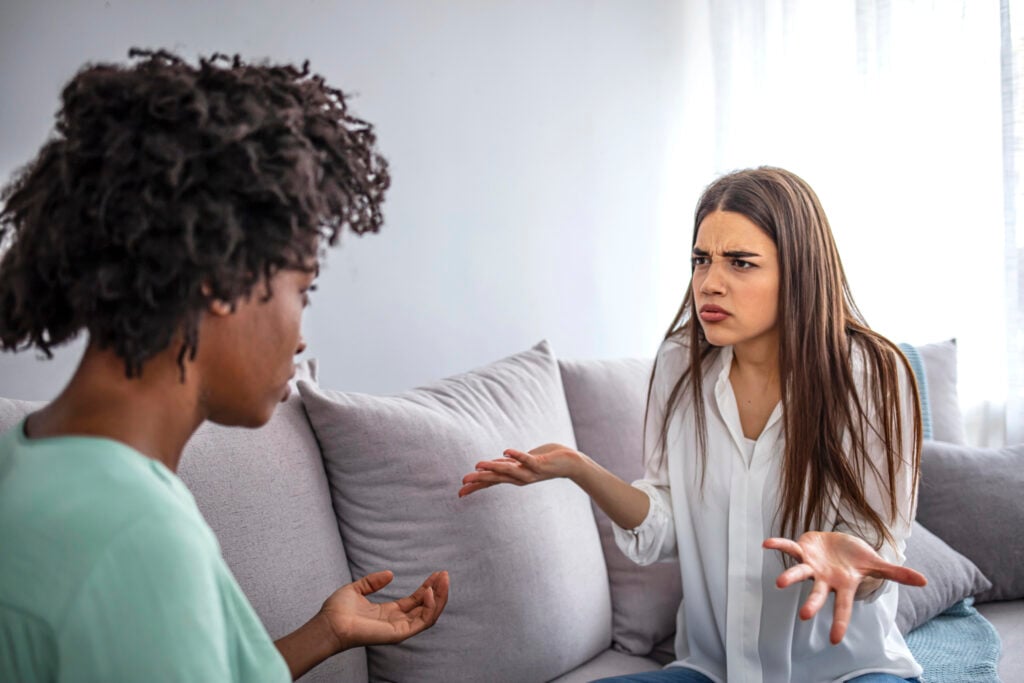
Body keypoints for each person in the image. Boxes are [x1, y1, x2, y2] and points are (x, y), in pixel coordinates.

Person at [0, 49, 449, 682]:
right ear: (222, 278)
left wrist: (325, 633)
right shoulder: (133, 540)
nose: (300, 338)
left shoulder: (37, 461)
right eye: (303, 290)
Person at [460, 167, 926, 683]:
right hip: (713, 671)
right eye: (700, 260)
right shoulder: (681, 362)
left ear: (799, 271)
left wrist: (852, 563)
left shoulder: (872, 375)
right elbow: (663, 526)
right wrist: (579, 468)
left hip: (847, 673)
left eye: (740, 263)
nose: (710, 282)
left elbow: (877, 549)